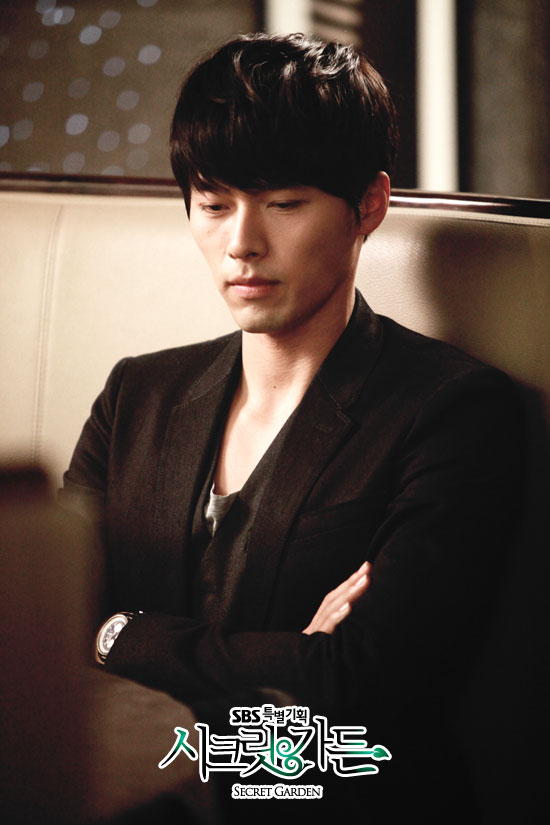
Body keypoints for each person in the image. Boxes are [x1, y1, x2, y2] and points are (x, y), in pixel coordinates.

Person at [61, 33, 524, 823]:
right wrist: (284, 663)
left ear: (368, 204)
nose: (241, 242)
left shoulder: (453, 409)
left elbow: (357, 683)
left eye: (282, 204)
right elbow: (43, 624)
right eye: (214, 204)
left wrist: (119, 635)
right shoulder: (137, 393)